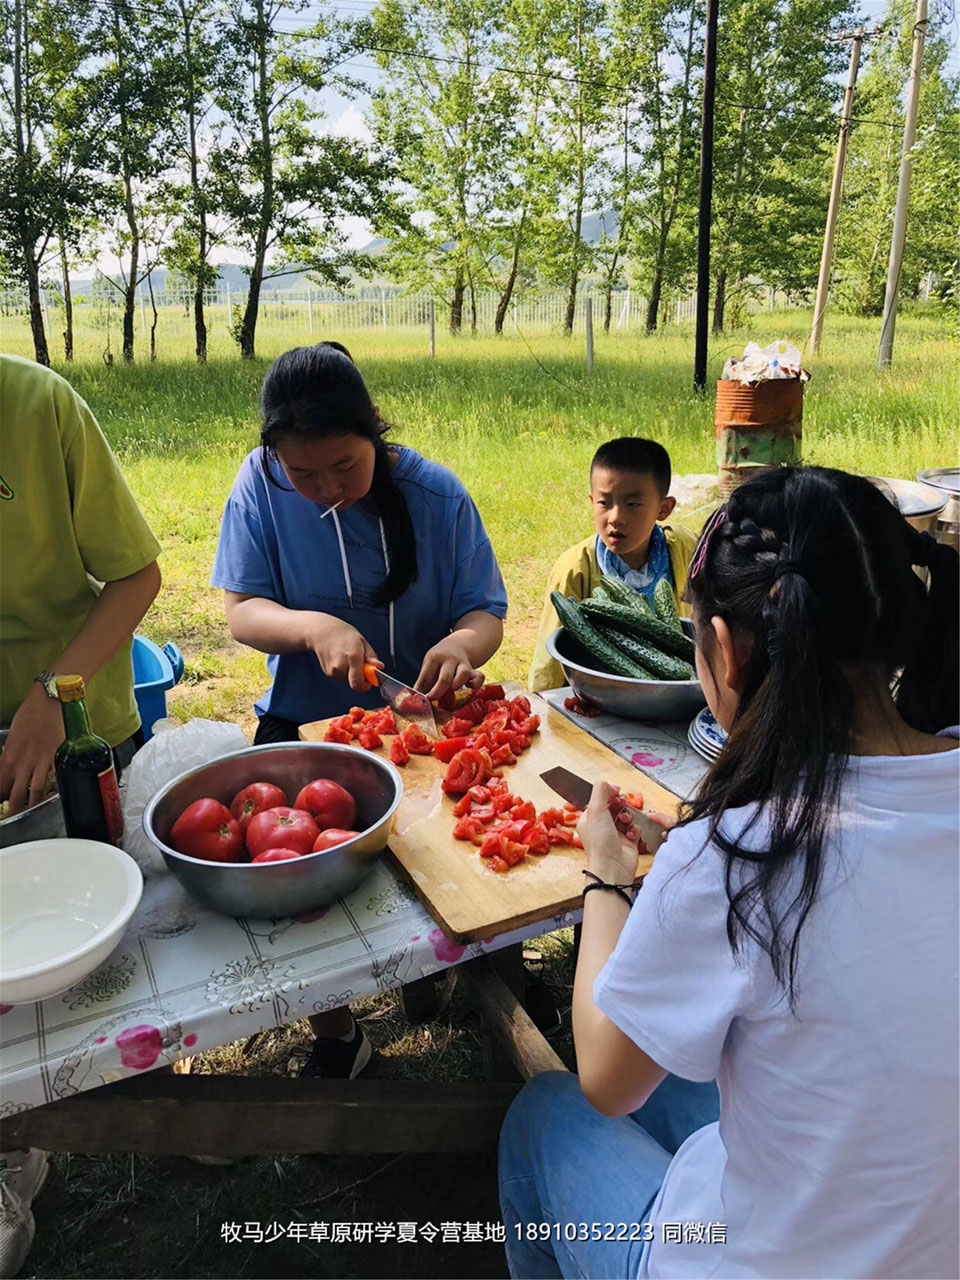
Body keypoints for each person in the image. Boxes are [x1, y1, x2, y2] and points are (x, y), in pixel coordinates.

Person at [500, 465, 959, 1279]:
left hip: (750, 1260)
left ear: (719, 649)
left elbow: (609, 1078)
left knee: (548, 1112)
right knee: (691, 1075)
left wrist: (609, 879)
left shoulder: (735, 853)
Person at [212, 341, 507, 1077]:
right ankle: (339, 1032)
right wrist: (312, 627)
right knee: (295, 885)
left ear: (375, 427)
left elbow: (485, 612)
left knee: (454, 854)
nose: (322, 487)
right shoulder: (259, 484)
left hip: (428, 720)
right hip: (307, 722)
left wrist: (462, 645)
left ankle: (469, 972)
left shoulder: (437, 496)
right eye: (302, 472)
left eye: (345, 466)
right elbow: (243, 612)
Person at [0, 354, 162, 1279]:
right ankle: (16, 1149)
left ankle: (149, 1088)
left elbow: (134, 575)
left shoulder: (37, 406)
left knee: (100, 920)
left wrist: (52, 695)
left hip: (73, 719)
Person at [528, 437, 698, 692]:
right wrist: (542, 703)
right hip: (599, 695)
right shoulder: (575, 568)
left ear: (664, 509)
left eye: (632, 505)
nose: (616, 518)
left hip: (678, 690)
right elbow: (549, 660)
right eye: (604, 502)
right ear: (591, 501)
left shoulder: (685, 548)